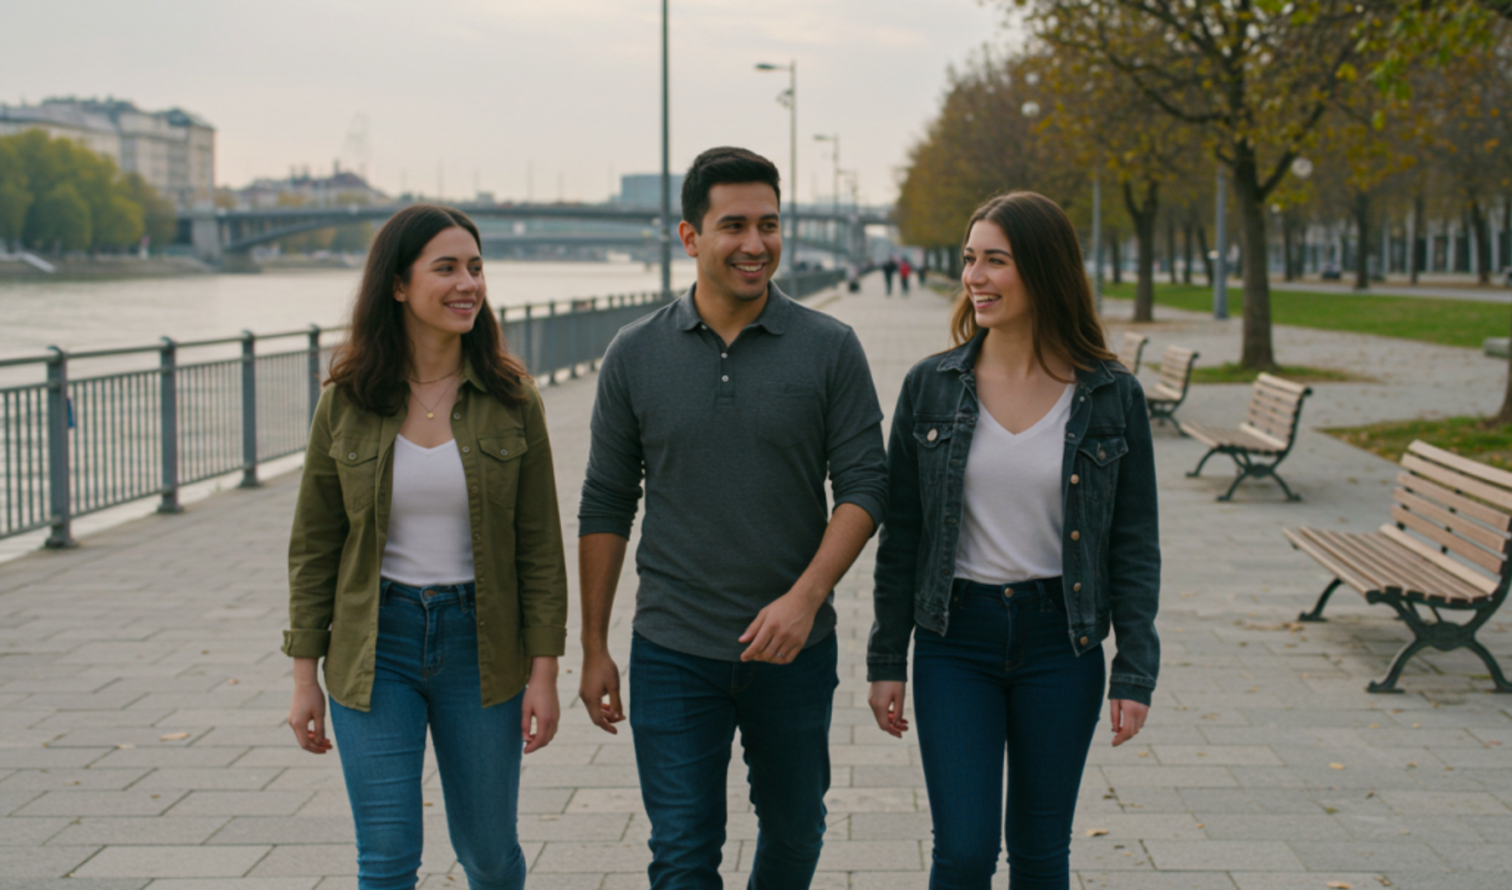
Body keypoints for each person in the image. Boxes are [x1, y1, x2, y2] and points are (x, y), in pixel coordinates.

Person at [577, 146, 888, 890]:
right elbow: (606, 503)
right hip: (673, 648)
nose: (756, 244)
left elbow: (866, 485)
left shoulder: (830, 347)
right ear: (690, 237)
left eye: (770, 224)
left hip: (794, 650)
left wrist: (805, 598)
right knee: (682, 854)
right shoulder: (634, 353)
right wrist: (591, 646)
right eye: (735, 225)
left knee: (795, 832)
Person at [866, 191, 1160, 890]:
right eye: (971, 259)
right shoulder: (930, 388)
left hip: (1063, 642)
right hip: (954, 639)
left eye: (995, 261)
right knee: (964, 852)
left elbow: (1134, 541)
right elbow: (901, 534)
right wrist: (887, 658)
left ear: (1044, 270)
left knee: (1038, 854)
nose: (975, 277)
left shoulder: (1111, 394)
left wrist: (1136, 667)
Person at [284, 204, 568, 890]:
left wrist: (544, 672)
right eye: (446, 268)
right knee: (386, 858)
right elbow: (314, 546)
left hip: (484, 644)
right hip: (374, 644)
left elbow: (540, 548)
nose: (467, 283)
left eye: (475, 267)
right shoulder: (348, 400)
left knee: (491, 855)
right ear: (399, 285)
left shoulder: (512, 398)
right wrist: (304, 678)